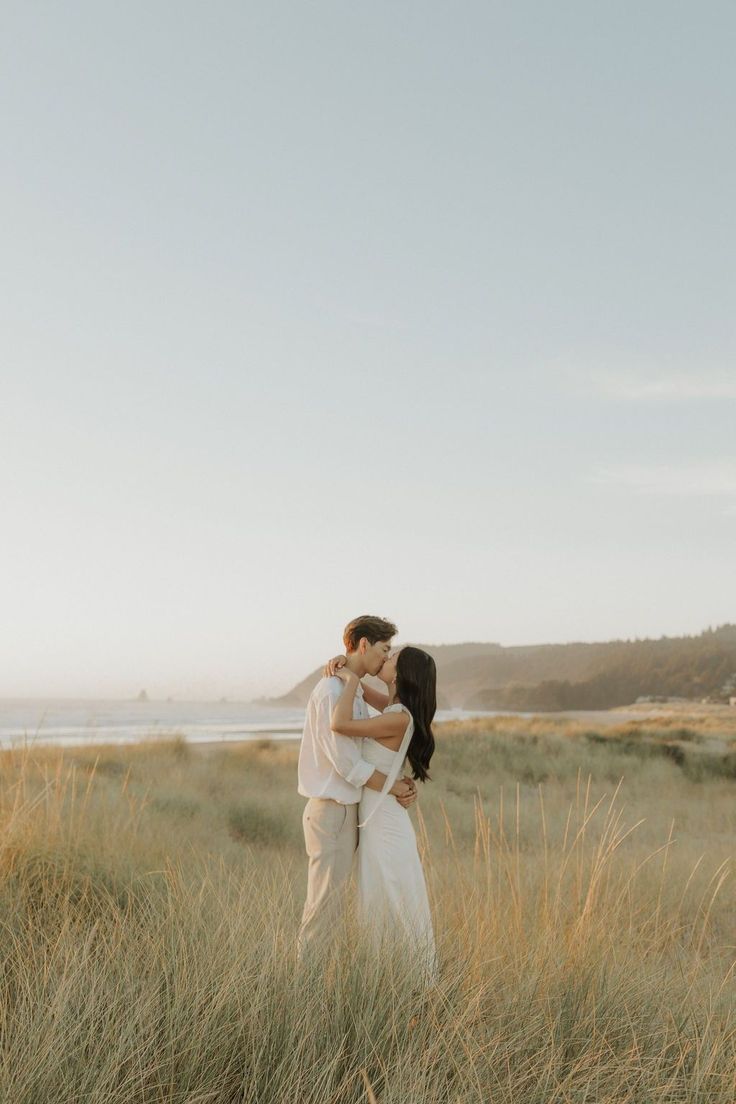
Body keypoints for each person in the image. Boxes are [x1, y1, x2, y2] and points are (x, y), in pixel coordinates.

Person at [296, 615, 418, 964]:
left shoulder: (350, 688)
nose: (385, 657)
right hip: (333, 809)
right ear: (363, 644)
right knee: (324, 911)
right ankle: (305, 997)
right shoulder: (334, 690)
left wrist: (397, 782)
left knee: (333, 908)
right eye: (383, 649)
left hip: (349, 810)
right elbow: (349, 764)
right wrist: (394, 787)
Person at [331, 644, 438, 984]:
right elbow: (365, 690)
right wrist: (344, 665)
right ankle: (389, 981)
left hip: (385, 824)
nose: (387, 659)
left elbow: (340, 723)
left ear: (403, 673)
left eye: (393, 658)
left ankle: (405, 983)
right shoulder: (395, 706)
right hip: (383, 817)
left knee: (391, 900)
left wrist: (348, 680)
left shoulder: (397, 716)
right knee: (386, 899)